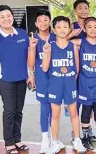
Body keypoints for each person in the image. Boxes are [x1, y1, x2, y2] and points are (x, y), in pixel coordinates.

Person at [0, 5, 34, 154]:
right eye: (2, 17)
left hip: (22, 78)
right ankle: (9, 142)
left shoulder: (23, 34)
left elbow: (28, 58)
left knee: (19, 110)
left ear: (12, 16)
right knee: (10, 110)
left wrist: (31, 73)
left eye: (8, 15)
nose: (6, 19)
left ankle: (17, 139)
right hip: (5, 79)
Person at [41, 16, 86, 153]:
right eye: (59, 27)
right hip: (55, 83)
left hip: (69, 83)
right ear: (53, 30)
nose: (62, 29)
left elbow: (77, 68)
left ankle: (77, 140)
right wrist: (46, 52)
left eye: (65, 27)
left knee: (73, 112)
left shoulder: (73, 46)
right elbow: (44, 68)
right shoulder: (50, 46)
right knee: (55, 114)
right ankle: (54, 142)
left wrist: (70, 79)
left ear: (69, 29)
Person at [27, 9, 66, 153]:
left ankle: (54, 138)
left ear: (50, 22)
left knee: (55, 110)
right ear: (36, 23)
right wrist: (31, 48)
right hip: (43, 79)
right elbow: (31, 62)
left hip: (57, 78)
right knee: (45, 108)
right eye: (40, 20)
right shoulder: (33, 39)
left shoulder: (57, 37)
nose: (43, 23)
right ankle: (45, 139)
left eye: (46, 19)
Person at [71, 17, 96, 150]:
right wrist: (72, 33)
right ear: (84, 29)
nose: (93, 29)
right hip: (84, 82)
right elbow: (62, 40)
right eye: (89, 27)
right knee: (86, 111)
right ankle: (86, 137)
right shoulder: (80, 42)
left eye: (95, 26)